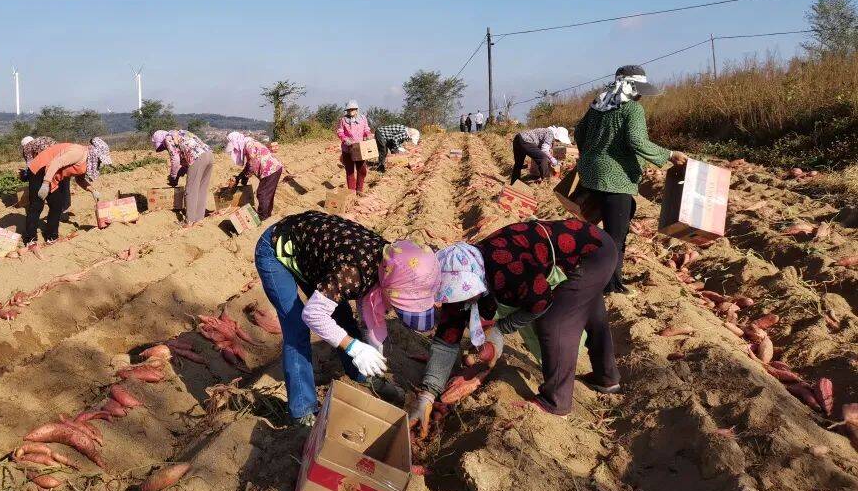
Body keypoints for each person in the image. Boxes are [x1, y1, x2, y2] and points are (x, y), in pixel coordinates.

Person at [407, 219, 619, 430]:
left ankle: (556, 401)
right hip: (584, 245)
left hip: (594, 253)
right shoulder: (464, 273)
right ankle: (606, 377)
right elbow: (446, 339)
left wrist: (501, 328)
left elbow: (541, 302)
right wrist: (427, 394)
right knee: (588, 306)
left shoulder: (508, 269)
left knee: (555, 321)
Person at [254, 210, 439, 426]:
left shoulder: (394, 260)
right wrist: (354, 347)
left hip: (313, 256)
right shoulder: (353, 272)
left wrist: (373, 350)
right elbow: (313, 314)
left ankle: (364, 376)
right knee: (297, 329)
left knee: (342, 314)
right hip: (276, 250)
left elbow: (368, 305)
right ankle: (302, 410)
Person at [574, 65, 687, 294]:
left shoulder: (598, 106)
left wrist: (592, 155)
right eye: (640, 90)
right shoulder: (631, 109)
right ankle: (611, 285)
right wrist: (669, 155)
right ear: (633, 88)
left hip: (591, 175)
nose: (641, 95)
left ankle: (590, 272)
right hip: (616, 178)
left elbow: (579, 134)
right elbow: (637, 141)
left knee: (600, 227)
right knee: (616, 235)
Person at [24, 138, 111, 244]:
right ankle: (30, 239)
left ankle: (51, 236)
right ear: (95, 154)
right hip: (40, 170)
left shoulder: (86, 161)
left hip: (52, 175)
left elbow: (80, 179)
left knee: (57, 204)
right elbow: (56, 163)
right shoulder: (78, 153)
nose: (100, 162)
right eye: (100, 159)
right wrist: (46, 183)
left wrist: (93, 190)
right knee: (37, 204)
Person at [152, 129, 213, 225]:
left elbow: (175, 159)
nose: (164, 148)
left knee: (191, 190)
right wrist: (180, 172)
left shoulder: (168, 138)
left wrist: (173, 177)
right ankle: (199, 219)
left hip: (197, 157)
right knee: (201, 189)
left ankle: (189, 221)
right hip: (209, 155)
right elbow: (185, 155)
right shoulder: (181, 133)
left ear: (161, 140)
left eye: (162, 146)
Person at [227, 131, 282, 220]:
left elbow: (252, 164)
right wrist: (240, 177)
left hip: (271, 170)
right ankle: (267, 214)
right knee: (267, 194)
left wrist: (244, 177)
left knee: (262, 193)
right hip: (274, 169)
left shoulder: (249, 145)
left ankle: (262, 216)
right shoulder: (250, 143)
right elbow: (249, 164)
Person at [336, 100, 372, 193]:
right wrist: (345, 139)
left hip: (359, 148)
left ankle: (359, 190)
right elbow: (340, 132)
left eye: (352, 109)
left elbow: (366, 128)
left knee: (362, 170)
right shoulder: (343, 120)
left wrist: (368, 134)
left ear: (357, 110)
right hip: (347, 149)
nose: (350, 111)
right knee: (350, 171)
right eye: (349, 110)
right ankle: (351, 193)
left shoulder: (363, 118)